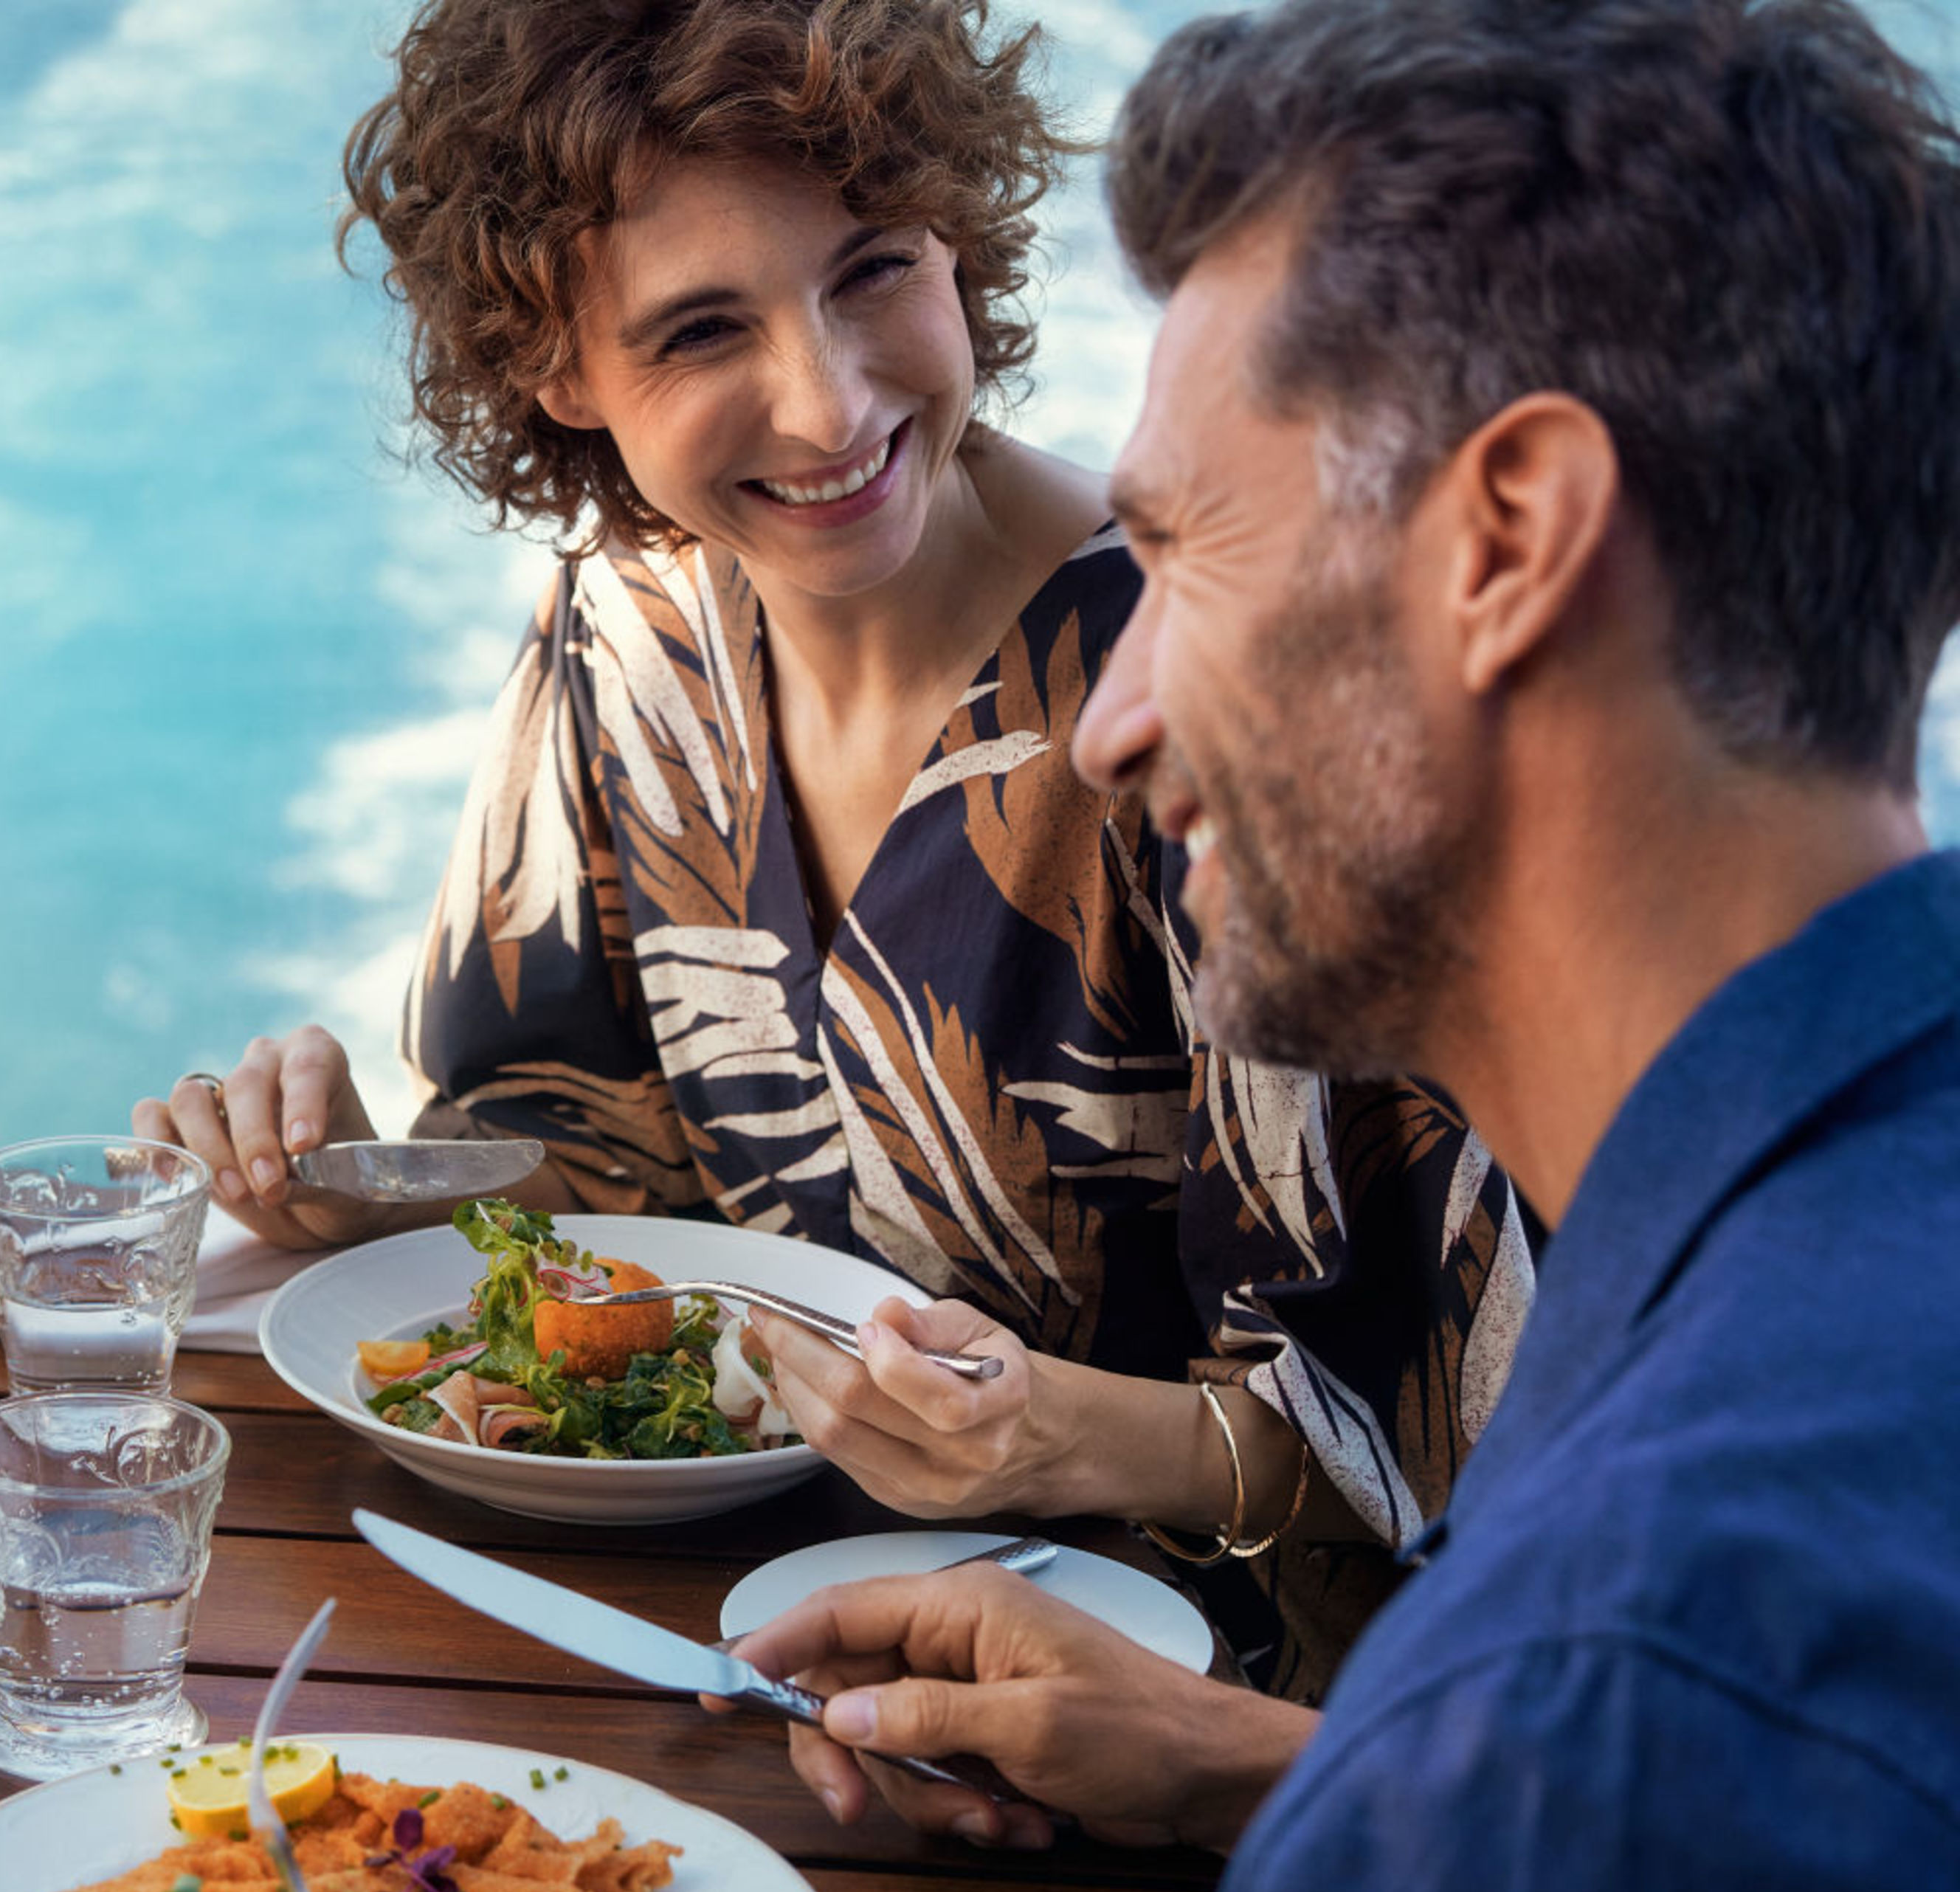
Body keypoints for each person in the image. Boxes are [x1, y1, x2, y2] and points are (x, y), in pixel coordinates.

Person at [711, 0, 1960, 1892]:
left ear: (1507, 541)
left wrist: (1451, 1812)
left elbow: (1628, 1781)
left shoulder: (1617, 1705)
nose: (1107, 718)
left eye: (1185, 550)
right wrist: (1292, 1778)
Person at [137, 0, 1533, 1703]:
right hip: (744, 1646)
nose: (827, 404)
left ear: (961, 235)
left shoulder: (1208, 698)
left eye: (874, 270)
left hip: (1202, 1726)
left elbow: (1455, 1428)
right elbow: (604, 1183)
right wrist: (366, 1183)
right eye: (701, 329)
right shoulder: (629, 630)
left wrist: (1046, 1442)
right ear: (553, 367)